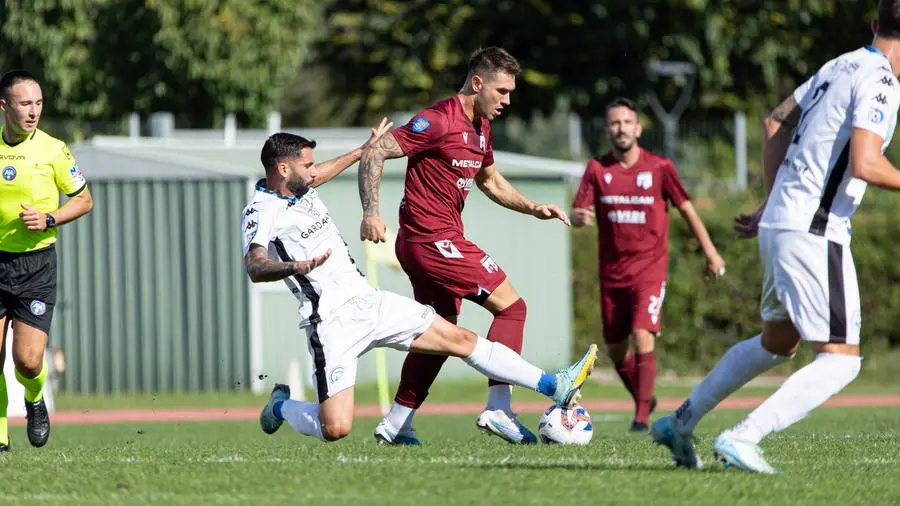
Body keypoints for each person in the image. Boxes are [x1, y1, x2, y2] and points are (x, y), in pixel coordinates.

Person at [652, 1, 900, 473]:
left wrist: (772, 199)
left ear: (874, 26)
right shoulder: (883, 79)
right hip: (814, 229)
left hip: (783, 221)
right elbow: (866, 163)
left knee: (778, 342)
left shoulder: (839, 63)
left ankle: (680, 422)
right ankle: (743, 437)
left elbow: (775, 120)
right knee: (841, 360)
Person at [245, 132, 597, 443]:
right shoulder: (260, 212)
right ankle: (282, 406)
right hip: (329, 322)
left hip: (369, 302)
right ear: (283, 169)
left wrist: (361, 152)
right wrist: (294, 266)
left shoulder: (300, 186)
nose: (314, 170)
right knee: (335, 428)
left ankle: (554, 384)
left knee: (459, 340)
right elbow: (255, 266)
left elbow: (322, 172)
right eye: (307, 165)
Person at [357, 47, 571, 446]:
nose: (507, 101)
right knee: (512, 306)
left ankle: (396, 422)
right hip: (431, 240)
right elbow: (376, 149)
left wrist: (532, 208)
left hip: (434, 242)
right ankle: (499, 407)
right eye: (502, 91)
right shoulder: (437, 120)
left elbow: (491, 182)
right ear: (477, 83)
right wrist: (371, 211)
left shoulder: (481, 129)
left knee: (440, 332)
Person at [570, 97, 725, 433]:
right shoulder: (597, 169)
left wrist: (711, 252)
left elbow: (687, 210)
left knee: (643, 335)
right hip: (611, 274)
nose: (621, 128)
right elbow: (578, 214)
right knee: (615, 349)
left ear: (638, 128)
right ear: (607, 129)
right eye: (614, 123)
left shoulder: (659, 168)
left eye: (627, 122)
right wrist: (578, 218)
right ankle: (645, 396)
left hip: (649, 270)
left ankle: (641, 418)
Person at [0, 69, 93, 451]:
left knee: (27, 361)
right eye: (25, 103)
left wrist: (49, 218)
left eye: (38, 103)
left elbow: (84, 199)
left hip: (36, 266)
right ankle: (0, 435)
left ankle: (34, 401)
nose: (34, 111)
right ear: (4, 106)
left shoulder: (53, 149)